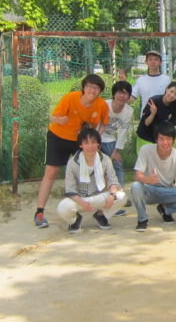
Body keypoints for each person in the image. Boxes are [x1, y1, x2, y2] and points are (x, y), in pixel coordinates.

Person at [34, 74, 109, 228]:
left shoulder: (101, 105)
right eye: (89, 86)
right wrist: (60, 120)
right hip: (58, 136)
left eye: (96, 88)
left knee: (94, 172)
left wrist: (95, 138)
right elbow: (52, 117)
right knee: (51, 172)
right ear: (83, 88)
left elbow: (104, 124)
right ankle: (39, 212)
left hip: (81, 142)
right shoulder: (70, 98)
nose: (92, 90)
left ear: (100, 91)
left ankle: (99, 211)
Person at [57, 126, 127, 233]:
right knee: (62, 207)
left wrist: (112, 195)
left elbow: (113, 181)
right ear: (81, 145)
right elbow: (70, 189)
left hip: (99, 197)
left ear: (98, 144)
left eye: (94, 142)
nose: (90, 146)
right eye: (86, 143)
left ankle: (101, 215)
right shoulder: (72, 162)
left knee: (122, 196)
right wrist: (82, 203)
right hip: (80, 199)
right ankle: (75, 220)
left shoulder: (105, 159)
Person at [130, 122, 176, 232]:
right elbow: (138, 175)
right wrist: (147, 179)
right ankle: (142, 219)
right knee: (135, 186)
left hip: (167, 191)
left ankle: (165, 209)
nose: (165, 142)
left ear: (173, 140)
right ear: (156, 139)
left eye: (168, 139)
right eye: (161, 139)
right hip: (149, 190)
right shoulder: (145, 150)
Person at [101, 80, 133, 186]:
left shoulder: (129, 111)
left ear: (129, 96)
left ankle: (120, 190)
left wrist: (117, 150)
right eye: (119, 92)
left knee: (117, 162)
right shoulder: (104, 104)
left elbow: (123, 131)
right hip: (95, 136)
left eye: (125, 93)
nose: (121, 96)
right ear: (114, 94)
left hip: (109, 137)